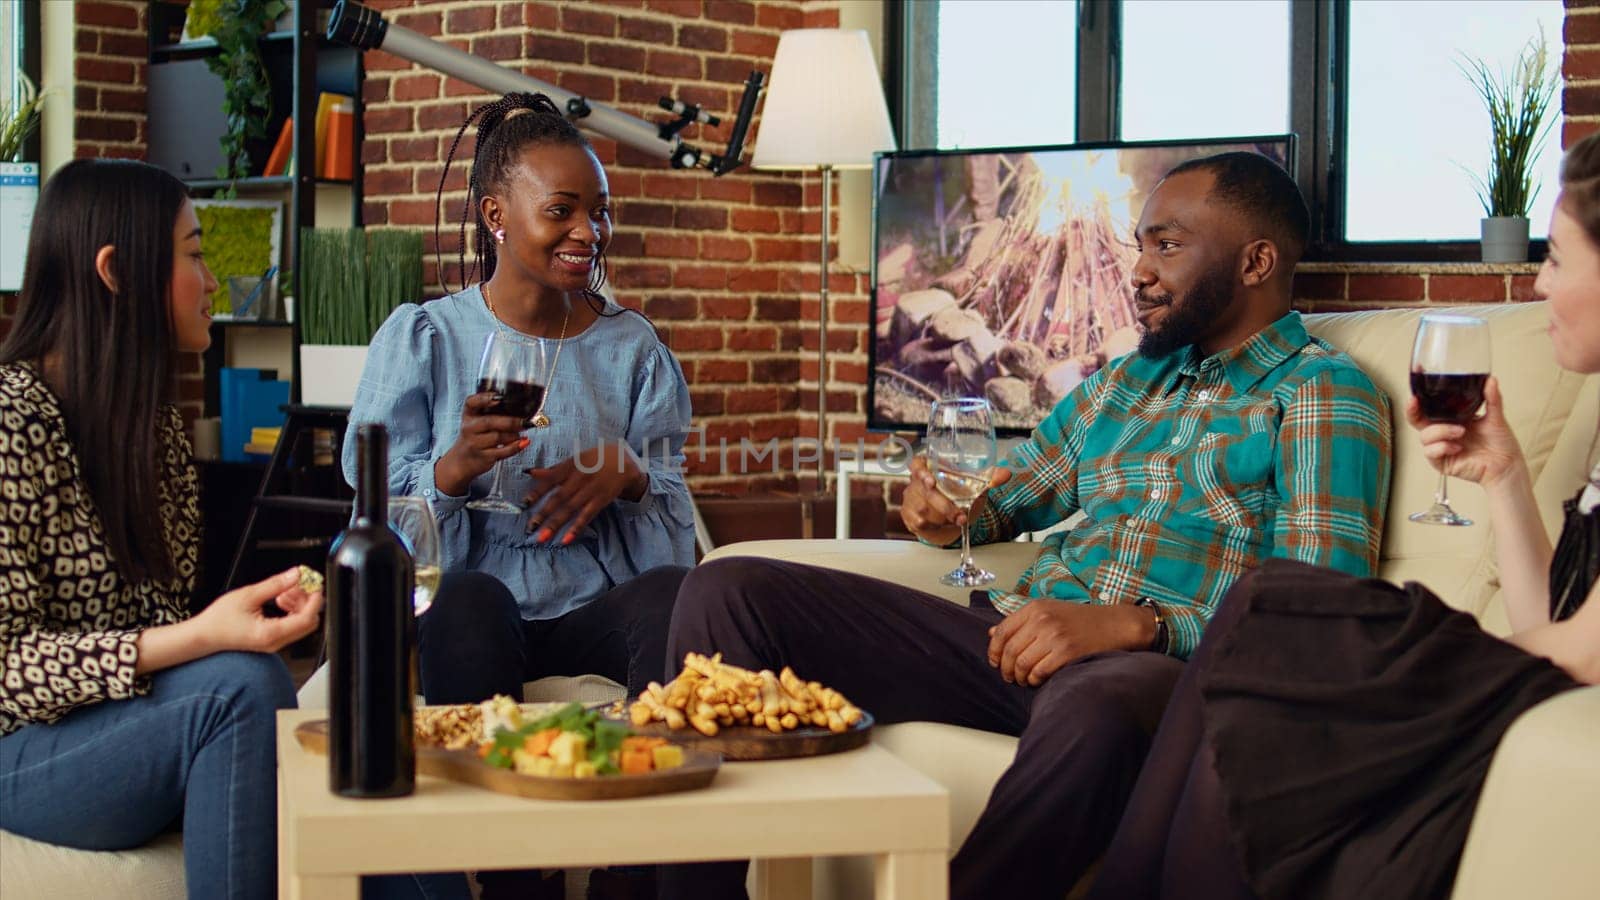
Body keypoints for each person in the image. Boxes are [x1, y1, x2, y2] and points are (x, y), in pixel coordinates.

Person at [662, 151, 1395, 900]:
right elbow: (1010, 500)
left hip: (1152, 675)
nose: (1139, 270)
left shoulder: (1319, 393)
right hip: (1008, 641)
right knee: (730, 588)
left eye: (1167, 245)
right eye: (1140, 243)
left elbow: (1319, 620)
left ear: (1256, 261)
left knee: (1098, 707)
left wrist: (1137, 626)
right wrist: (948, 515)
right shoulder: (1125, 383)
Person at [1085, 136, 1600, 900]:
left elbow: (1585, 659)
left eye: (1557, 258)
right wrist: (1503, 475)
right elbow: (1553, 620)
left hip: (1535, 699)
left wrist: (1407, 664)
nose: (1537, 283)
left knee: (1273, 606)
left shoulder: (1321, 386)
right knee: (1262, 644)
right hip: (1544, 688)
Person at [346, 92, 693, 900]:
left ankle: (634, 870)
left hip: (587, 604)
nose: (589, 233)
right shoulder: (427, 337)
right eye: (563, 211)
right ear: (496, 213)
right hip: (476, 602)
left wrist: (632, 475)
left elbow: (675, 523)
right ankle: (512, 875)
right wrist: (453, 466)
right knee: (464, 602)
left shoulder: (630, 346)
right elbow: (372, 518)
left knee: (677, 597)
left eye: (598, 213)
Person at [0, 159, 325, 900]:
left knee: (337, 741)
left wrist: (250, 621)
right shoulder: (9, 419)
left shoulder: (154, 430)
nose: (212, 281)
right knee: (238, 690)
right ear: (115, 271)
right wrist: (207, 638)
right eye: (195, 253)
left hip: (122, 727)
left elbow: (162, 626)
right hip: (21, 752)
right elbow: (6, 670)